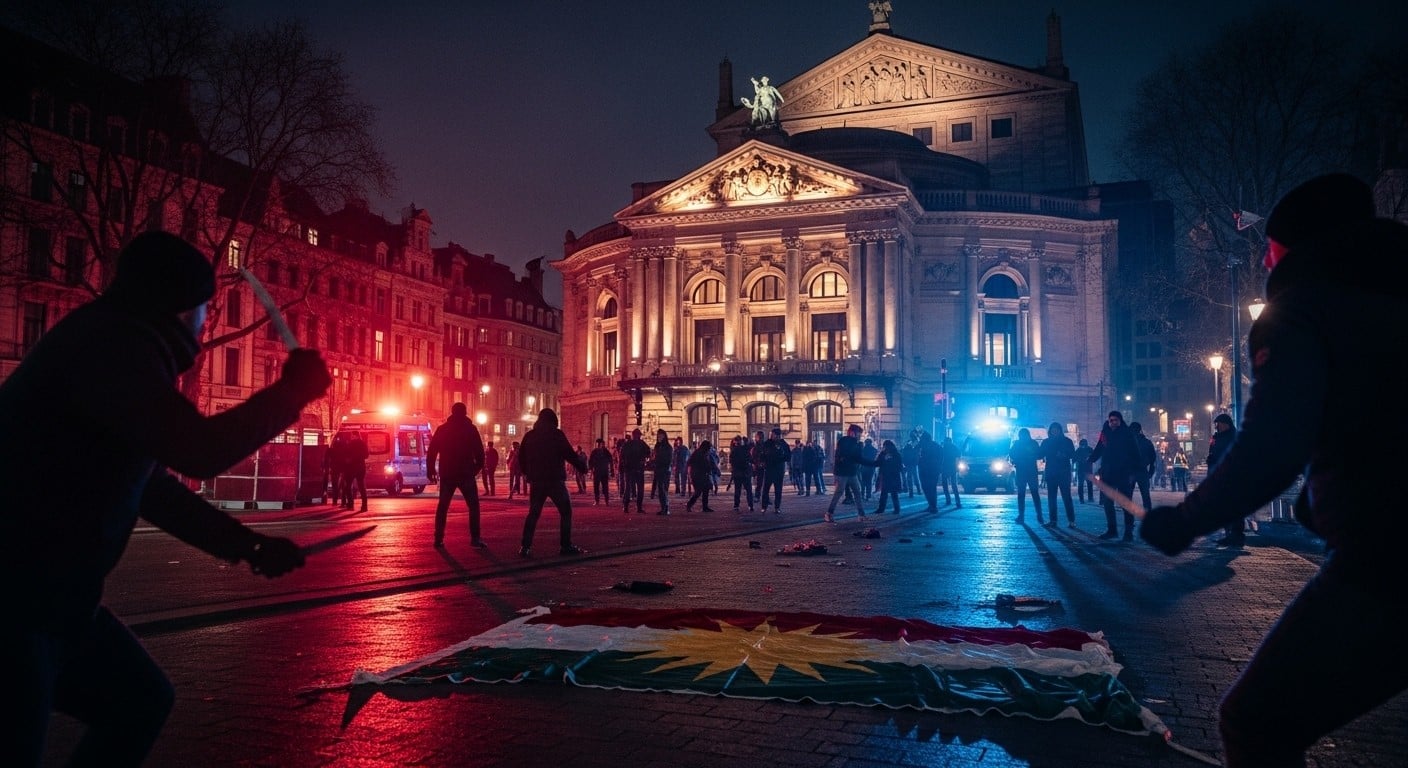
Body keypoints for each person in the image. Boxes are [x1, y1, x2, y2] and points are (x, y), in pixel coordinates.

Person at [0, 231, 330, 766]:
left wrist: (247, 546)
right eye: (204, 309)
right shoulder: (116, 348)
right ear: (180, 308)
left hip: (51, 599)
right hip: (16, 599)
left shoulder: (115, 342)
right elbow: (196, 450)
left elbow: (150, 485)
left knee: (140, 700)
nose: (205, 323)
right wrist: (290, 393)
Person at [1140, 173, 1408, 767]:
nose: (1263, 258)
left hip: (1389, 560)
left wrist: (1185, 519)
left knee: (1257, 720)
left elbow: (1273, 444)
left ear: (1293, 248)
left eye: (1270, 246)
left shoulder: (1303, 309)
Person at [516, 408, 588, 558]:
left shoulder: (530, 436)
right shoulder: (556, 435)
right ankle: (565, 545)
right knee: (566, 512)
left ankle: (525, 546)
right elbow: (569, 454)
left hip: (537, 480)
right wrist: (582, 467)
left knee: (533, 514)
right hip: (555, 480)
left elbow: (521, 457)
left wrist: (527, 473)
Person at [426, 402, 486, 548]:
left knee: (443, 506)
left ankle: (438, 538)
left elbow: (432, 451)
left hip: (447, 472)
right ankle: (475, 538)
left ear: (452, 413)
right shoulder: (471, 429)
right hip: (466, 472)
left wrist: (431, 470)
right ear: (465, 413)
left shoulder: (442, 429)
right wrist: (476, 468)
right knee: (473, 506)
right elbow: (479, 451)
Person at [1089, 410, 1140, 540]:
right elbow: (1099, 448)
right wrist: (1090, 460)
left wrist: (1134, 471)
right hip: (1108, 473)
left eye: (1115, 420)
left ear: (1120, 420)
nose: (1113, 422)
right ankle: (1112, 530)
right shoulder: (1105, 433)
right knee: (1107, 502)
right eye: (1111, 420)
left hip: (1123, 473)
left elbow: (1135, 453)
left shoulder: (1127, 433)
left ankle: (1128, 532)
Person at [1205, 413, 1242, 548]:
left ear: (1225, 424)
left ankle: (1237, 535)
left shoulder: (1234, 437)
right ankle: (1228, 534)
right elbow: (1213, 451)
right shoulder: (1216, 437)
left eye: (1218, 424)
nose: (1216, 426)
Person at [825, 424, 871, 523]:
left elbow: (858, 458)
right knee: (838, 493)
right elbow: (847, 455)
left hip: (852, 472)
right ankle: (829, 513)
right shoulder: (844, 441)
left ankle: (861, 515)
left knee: (857, 493)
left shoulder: (856, 443)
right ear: (852, 432)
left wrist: (872, 463)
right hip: (842, 473)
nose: (860, 436)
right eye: (858, 434)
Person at [1039, 422, 1077, 527]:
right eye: (1053, 429)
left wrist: (1064, 455)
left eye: (1056, 429)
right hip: (1051, 472)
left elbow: (1072, 455)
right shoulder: (1046, 442)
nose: (1054, 431)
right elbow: (1040, 454)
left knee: (1066, 497)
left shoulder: (1067, 441)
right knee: (1051, 498)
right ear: (1050, 431)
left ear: (1060, 430)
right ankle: (1053, 521)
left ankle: (1071, 520)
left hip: (1064, 472)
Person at [1009, 428, 1043, 523]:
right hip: (1028, 471)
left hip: (1024, 471)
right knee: (1031, 494)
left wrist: (1019, 458)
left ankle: (1024, 516)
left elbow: (1011, 454)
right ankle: (1037, 516)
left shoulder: (1019, 444)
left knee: (1024, 494)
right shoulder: (1031, 443)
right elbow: (1039, 455)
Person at [758, 427, 791, 514]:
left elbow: (788, 456)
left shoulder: (783, 444)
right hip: (769, 469)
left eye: (773, 434)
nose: (771, 436)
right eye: (771, 434)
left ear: (777, 435)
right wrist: (762, 462)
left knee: (778, 489)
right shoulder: (767, 443)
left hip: (779, 469)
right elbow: (762, 454)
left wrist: (781, 458)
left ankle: (777, 507)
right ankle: (764, 507)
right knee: (766, 489)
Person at [618, 428, 649, 514]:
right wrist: (644, 460)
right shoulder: (641, 444)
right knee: (639, 489)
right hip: (638, 469)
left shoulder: (627, 444)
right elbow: (648, 452)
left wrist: (623, 466)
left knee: (628, 488)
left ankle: (626, 506)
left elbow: (621, 457)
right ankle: (638, 507)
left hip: (630, 469)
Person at [1130, 421, 1158, 516]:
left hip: (1131, 472)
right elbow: (1153, 458)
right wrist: (1151, 472)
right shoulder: (1147, 442)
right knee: (1146, 496)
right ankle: (1148, 515)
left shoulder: (1127, 442)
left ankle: (1129, 518)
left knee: (1128, 495)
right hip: (1142, 471)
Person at [685, 440, 718, 513]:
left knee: (705, 490)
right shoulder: (699, 453)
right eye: (709, 447)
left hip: (702, 475)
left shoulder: (704, 453)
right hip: (697, 475)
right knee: (698, 491)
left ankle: (705, 507)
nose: (709, 449)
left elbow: (708, 463)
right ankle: (689, 504)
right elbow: (692, 462)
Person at [872, 439, 904, 514]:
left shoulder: (894, 454)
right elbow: (878, 463)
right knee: (887, 493)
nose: (884, 448)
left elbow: (898, 465)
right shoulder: (886, 454)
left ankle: (891, 509)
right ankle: (886, 509)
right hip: (888, 476)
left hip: (891, 476)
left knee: (890, 493)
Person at [916, 430, 943, 513]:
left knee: (928, 488)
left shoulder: (925, 445)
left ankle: (933, 506)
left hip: (927, 470)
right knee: (930, 488)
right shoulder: (936, 446)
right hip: (931, 470)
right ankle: (932, 505)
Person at [341, 432, 369, 512]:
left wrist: (349, 459)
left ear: (355, 436)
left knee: (348, 486)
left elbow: (345, 455)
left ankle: (350, 504)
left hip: (351, 467)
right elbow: (366, 455)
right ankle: (364, 506)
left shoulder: (350, 444)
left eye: (352, 435)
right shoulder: (363, 444)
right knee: (361, 487)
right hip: (361, 467)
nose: (351, 437)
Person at [728, 435, 755, 512]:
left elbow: (731, 463)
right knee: (748, 490)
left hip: (738, 473)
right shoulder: (745, 449)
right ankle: (750, 505)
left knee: (738, 490)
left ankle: (736, 506)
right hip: (745, 472)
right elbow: (750, 459)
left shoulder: (733, 451)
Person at [650, 429, 673, 515]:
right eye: (658, 436)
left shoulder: (667, 447)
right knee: (660, 489)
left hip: (665, 470)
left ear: (664, 436)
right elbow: (655, 457)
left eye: (661, 436)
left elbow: (668, 459)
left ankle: (665, 508)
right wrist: (653, 461)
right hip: (658, 469)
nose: (659, 437)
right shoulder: (658, 446)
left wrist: (659, 462)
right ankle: (663, 507)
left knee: (663, 489)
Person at [938, 435, 963, 508]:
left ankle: (948, 500)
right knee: (954, 485)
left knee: (945, 485)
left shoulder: (943, 448)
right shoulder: (954, 448)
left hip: (945, 468)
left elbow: (940, 459)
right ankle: (957, 502)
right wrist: (957, 466)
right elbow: (959, 457)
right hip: (952, 468)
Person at [324, 433, 348, 506]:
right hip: (344, 467)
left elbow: (327, 456)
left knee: (335, 484)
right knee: (344, 484)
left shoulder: (332, 447)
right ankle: (343, 500)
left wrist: (327, 466)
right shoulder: (345, 446)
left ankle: (335, 500)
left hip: (335, 467)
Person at [588, 438, 613, 505]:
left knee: (604, 486)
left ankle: (606, 500)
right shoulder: (595, 451)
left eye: (600, 444)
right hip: (598, 471)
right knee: (597, 486)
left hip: (603, 471)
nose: (600, 445)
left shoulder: (605, 451)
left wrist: (612, 470)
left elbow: (611, 460)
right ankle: (598, 500)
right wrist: (591, 469)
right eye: (599, 444)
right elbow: (590, 461)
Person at [1073, 438, 1095, 503]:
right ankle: (1087, 498)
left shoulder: (1079, 450)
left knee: (1083, 485)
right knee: (1086, 484)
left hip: (1083, 469)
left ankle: (1083, 499)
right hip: (1086, 469)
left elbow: (1074, 459)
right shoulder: (1089, 449)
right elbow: (1094, 457)